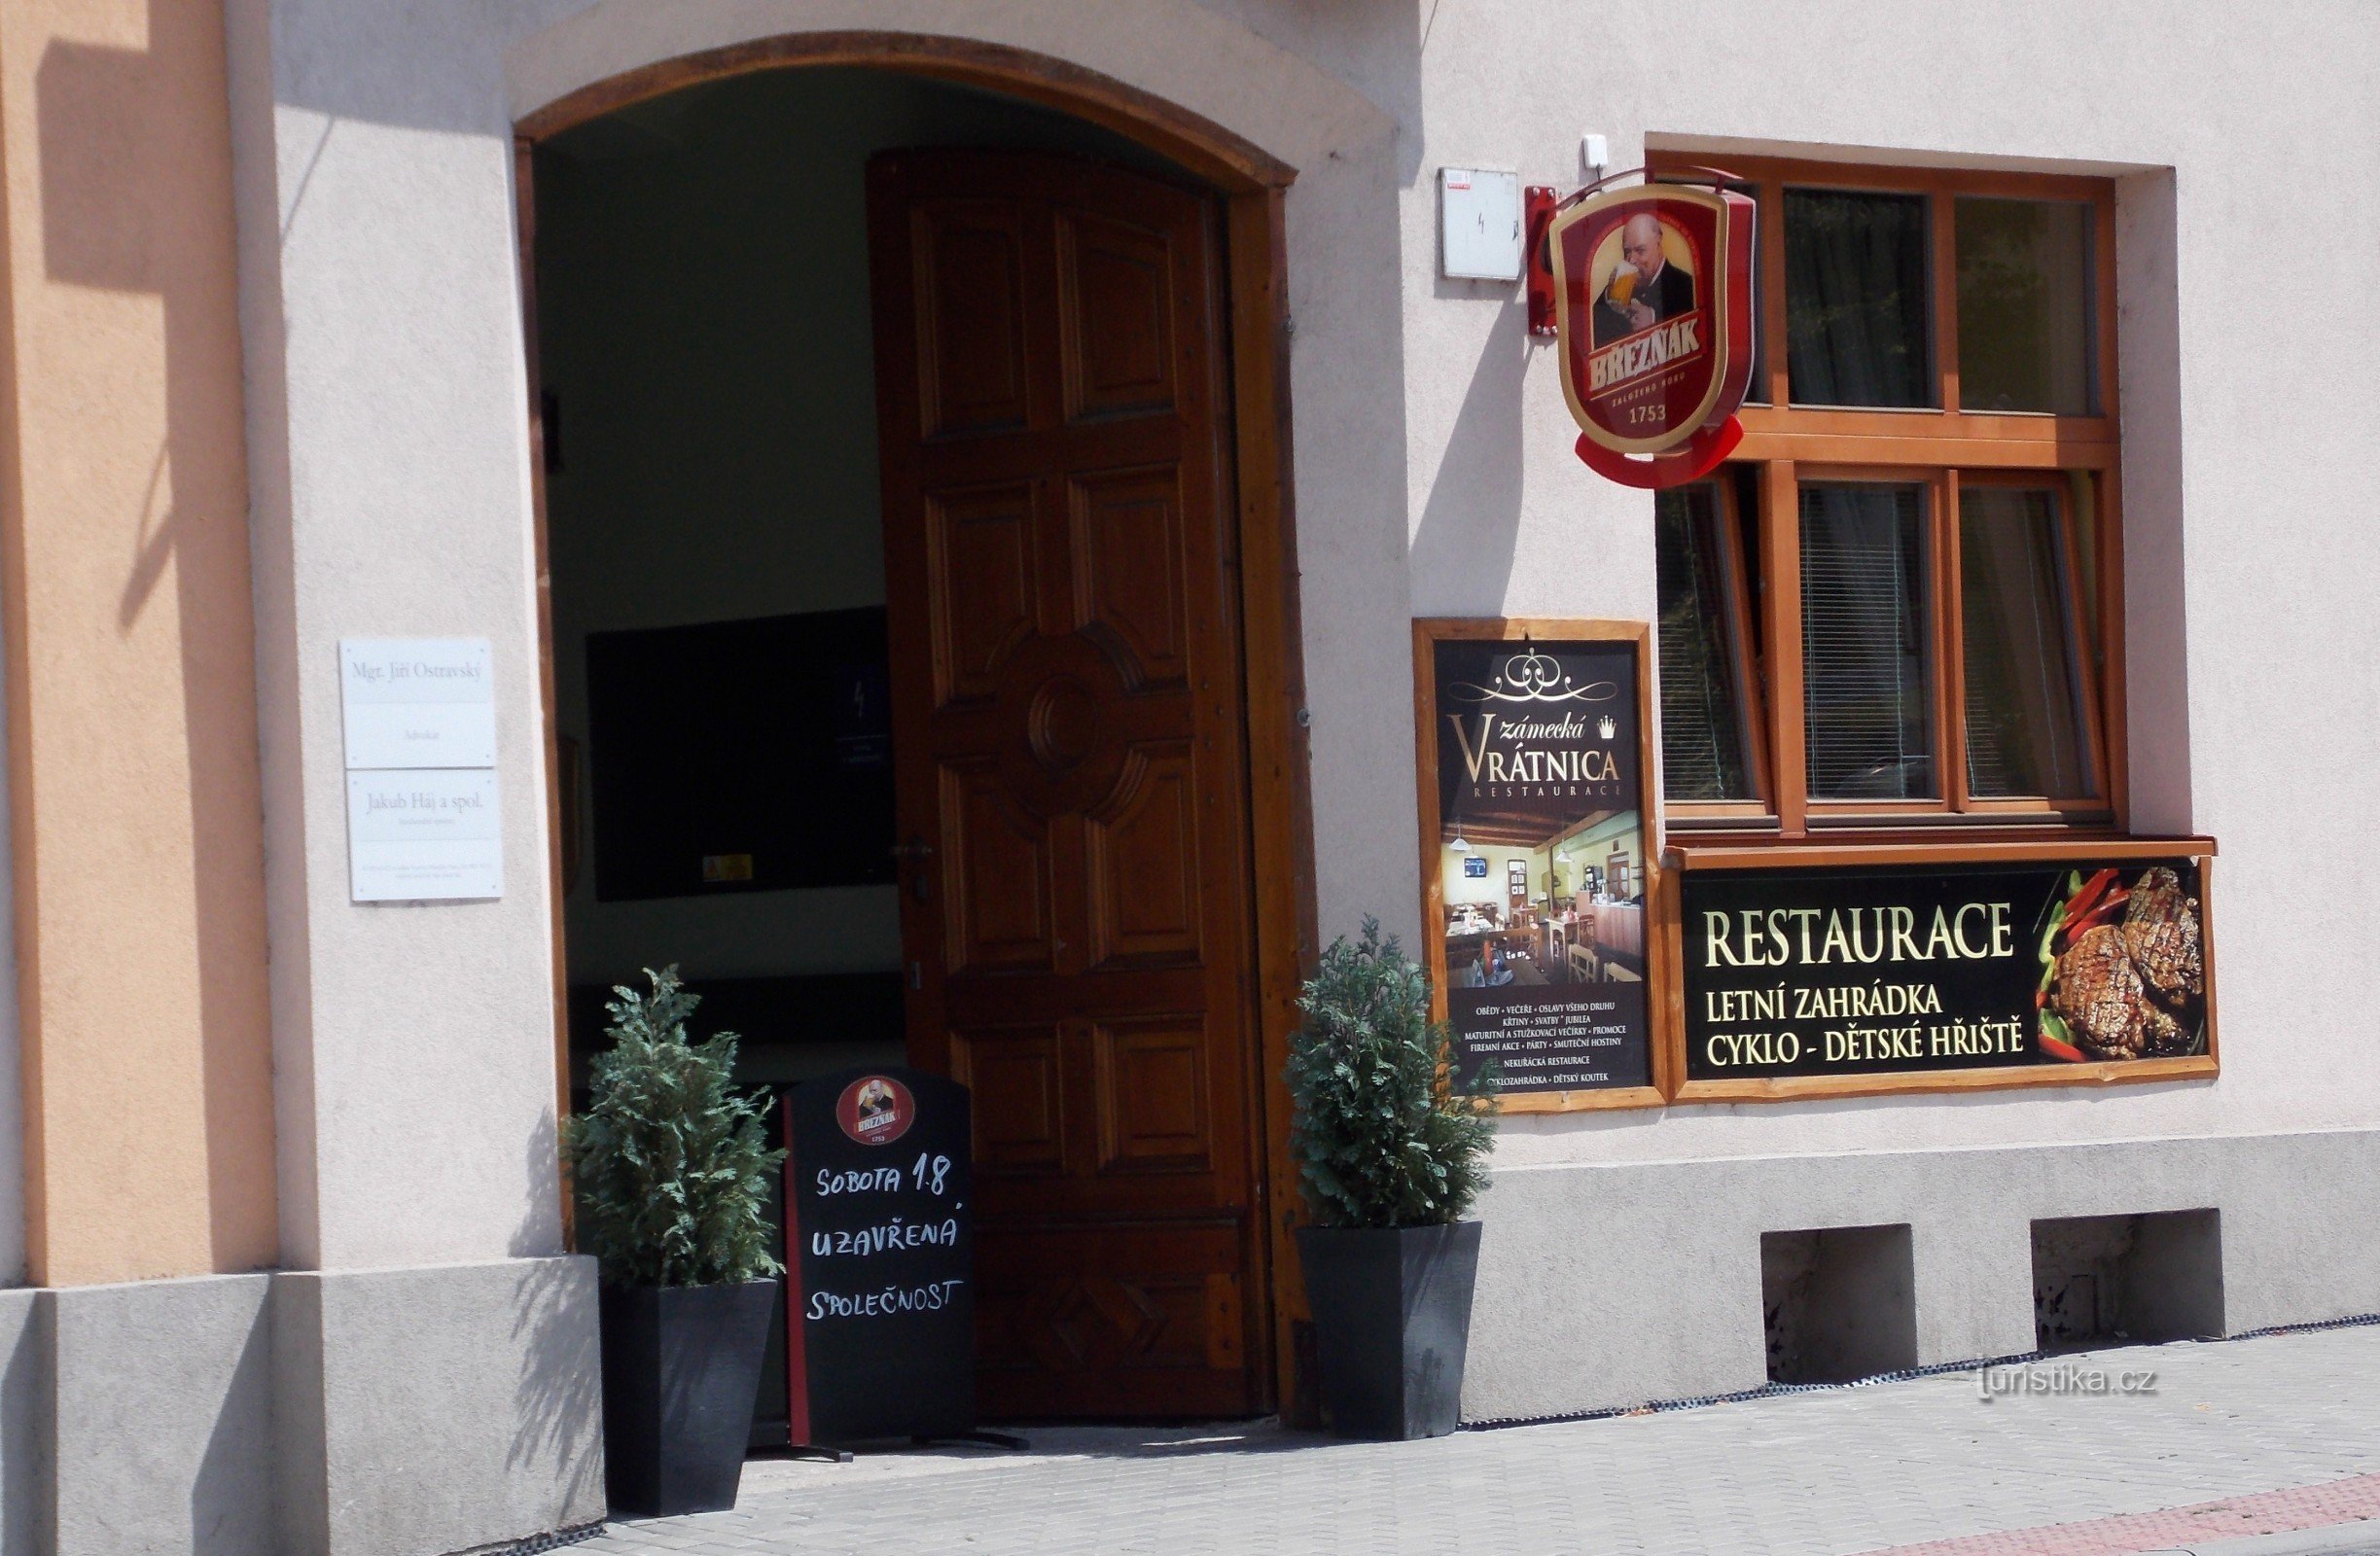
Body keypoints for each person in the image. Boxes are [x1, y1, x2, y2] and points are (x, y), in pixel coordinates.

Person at [1590, 212, 1695, 346]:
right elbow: (1590, 339)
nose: (1632, 259)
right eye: (1627, 252)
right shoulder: (1622, 289)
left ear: (1658, 243)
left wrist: (1654, 322)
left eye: (1640, 251)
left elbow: (1698, 339)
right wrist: (1608, 297)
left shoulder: (1685, 285)